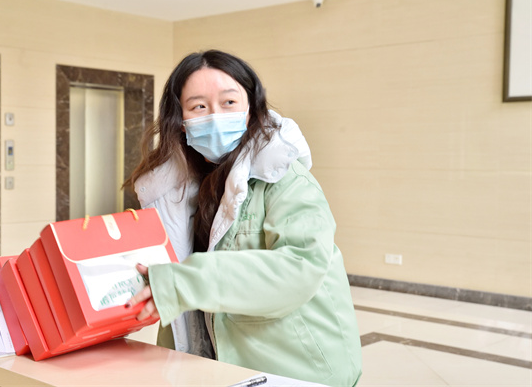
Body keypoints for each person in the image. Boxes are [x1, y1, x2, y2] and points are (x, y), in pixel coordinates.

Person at [123, 50, 362, 386]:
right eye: (199, 106)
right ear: (180, 119)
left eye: (229, 102)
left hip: (296, 369)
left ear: (251, 111)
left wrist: (181, 282)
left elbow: (300, 267)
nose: (214, 116)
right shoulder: (171, 194)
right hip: (218, 367)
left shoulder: (285, 178)